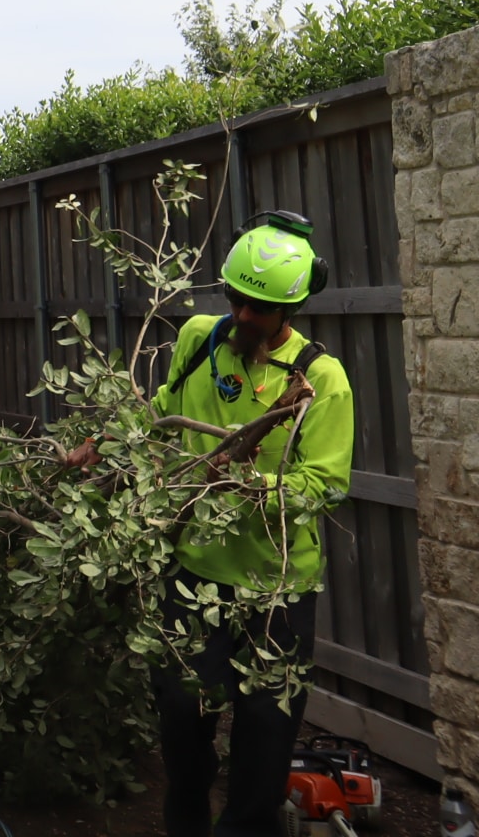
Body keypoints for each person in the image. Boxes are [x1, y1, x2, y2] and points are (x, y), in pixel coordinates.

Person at [149, 210, 353, 837]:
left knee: (265, 735)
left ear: (291, 308)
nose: (241, 317)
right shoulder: (196, 340)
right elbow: (162, 412)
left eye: (257, 310)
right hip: (195, 571)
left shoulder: (321, 379)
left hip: (277, 585)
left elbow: (324, 486)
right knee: (181, 712)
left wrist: (245, 482)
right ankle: (187, 816)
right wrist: (104, 442)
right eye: (235, 300)